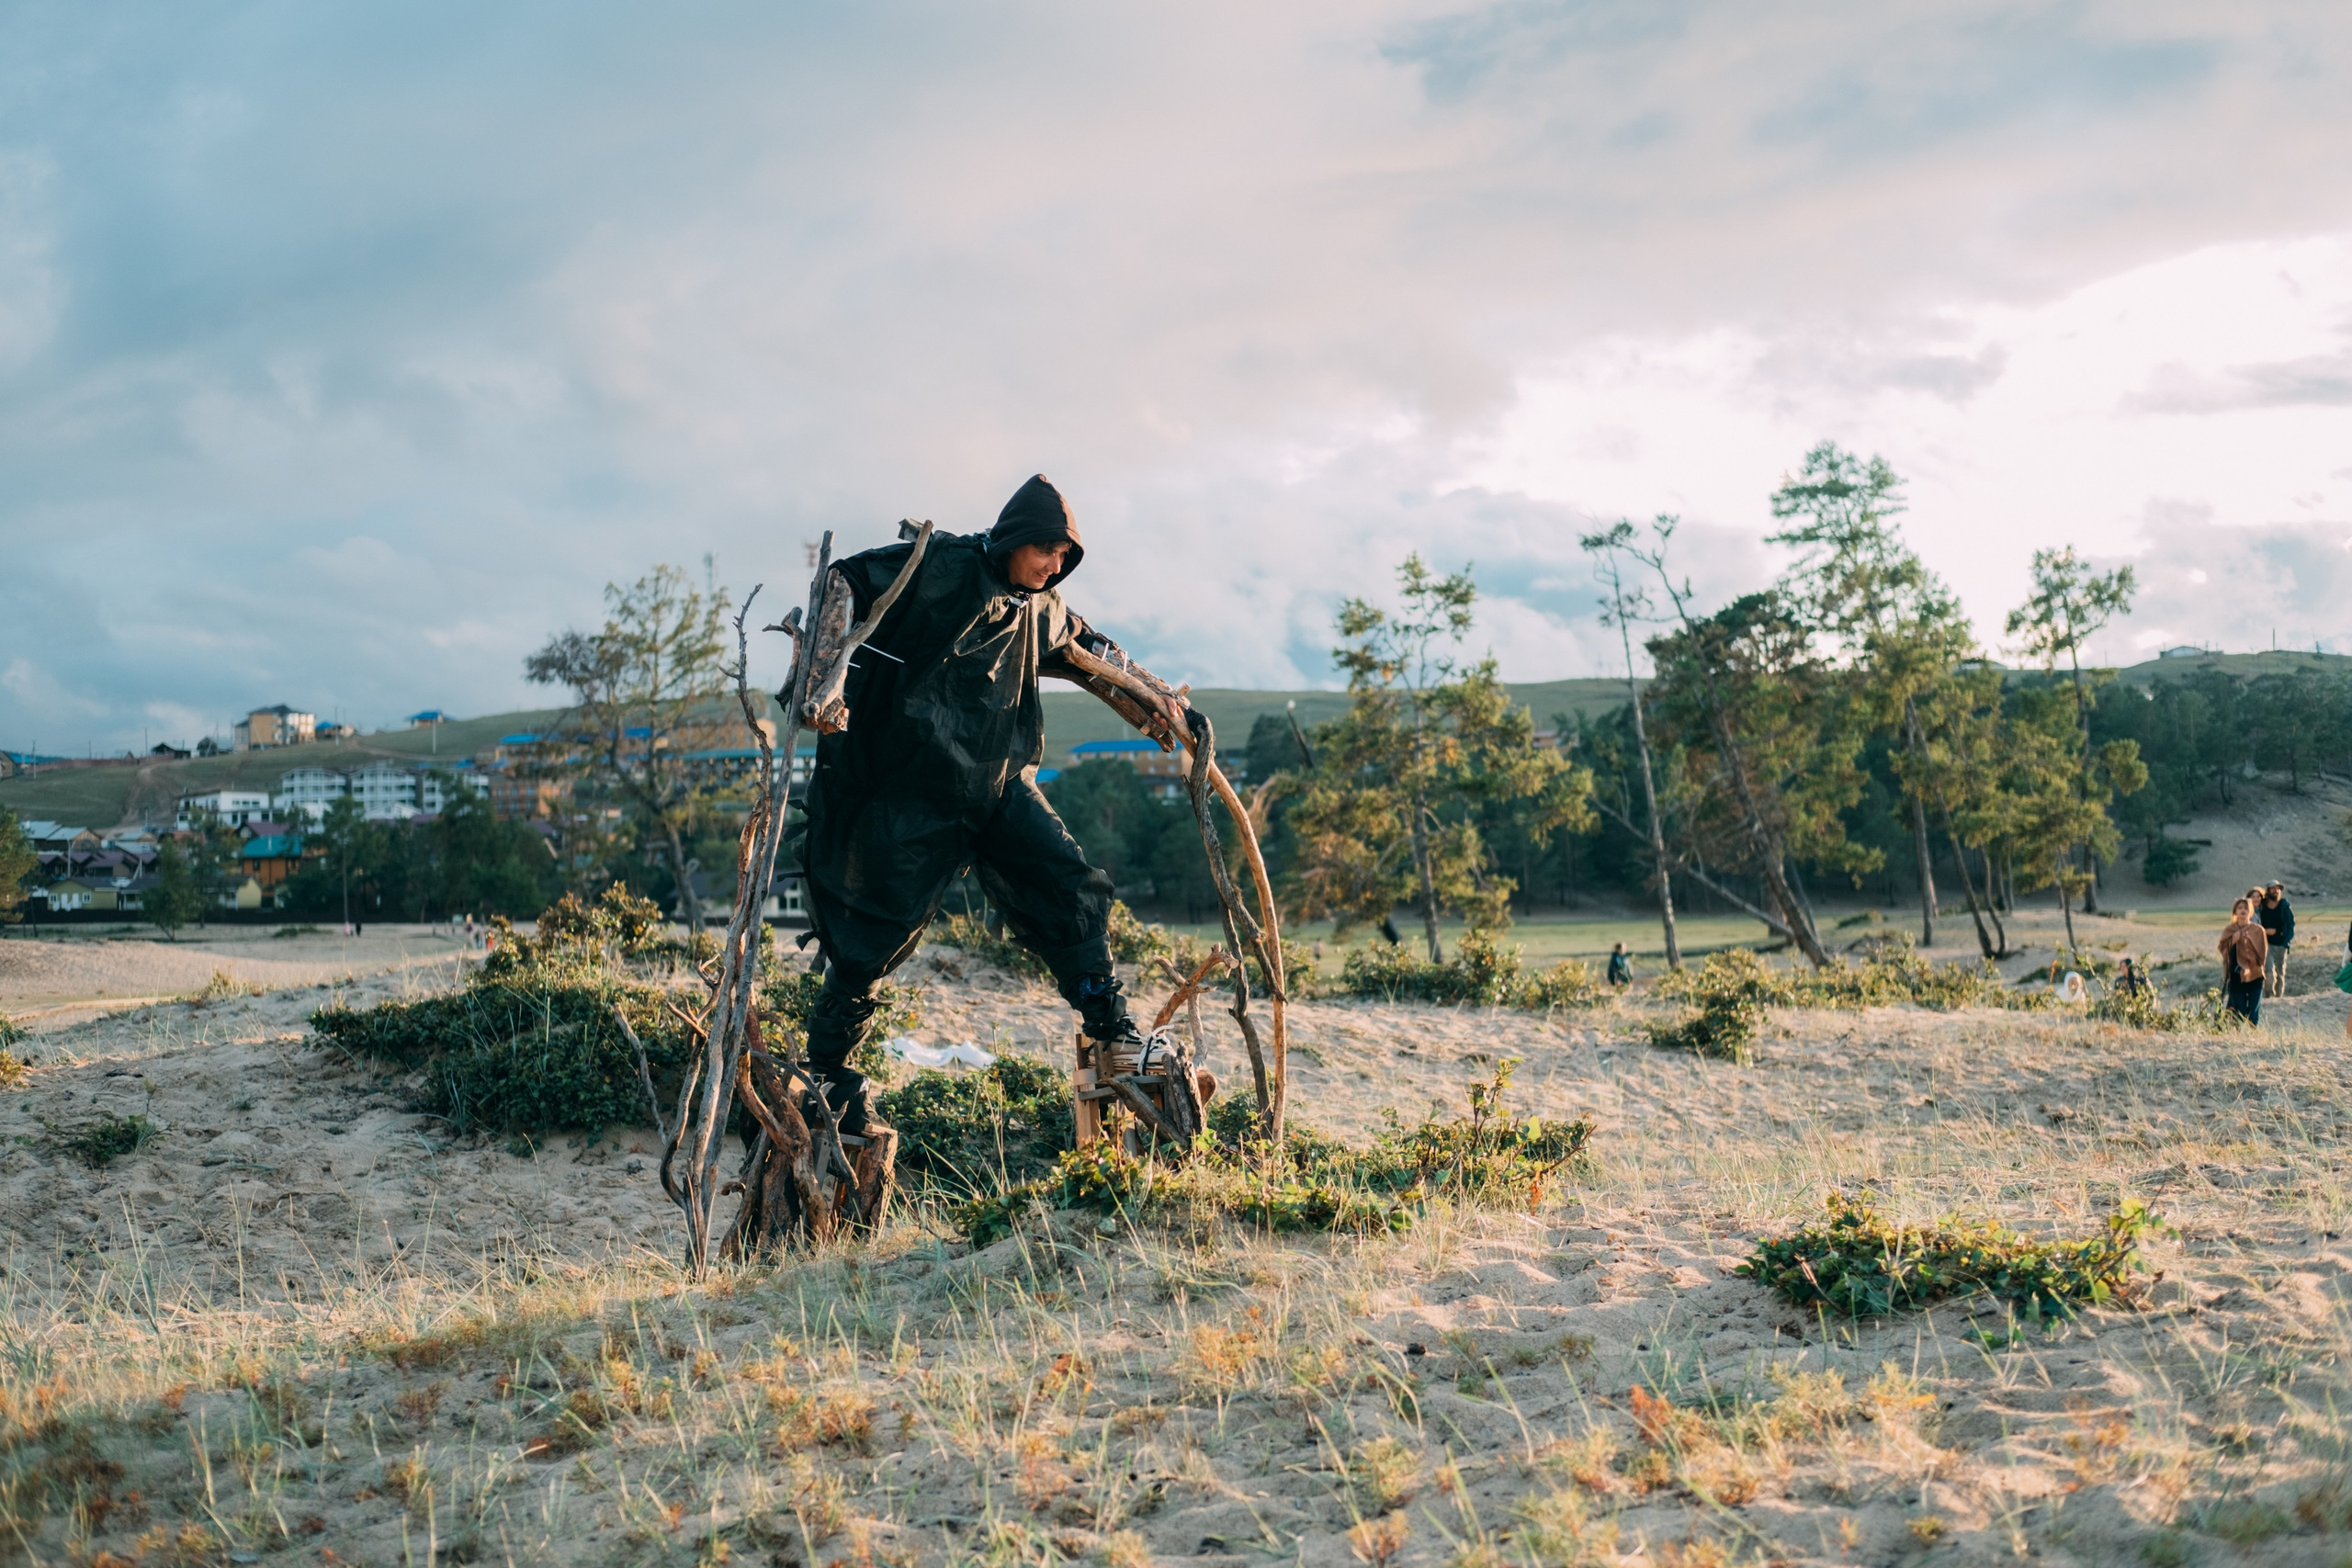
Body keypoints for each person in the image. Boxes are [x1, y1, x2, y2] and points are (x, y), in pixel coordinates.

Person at [790, 475, 1193, 1136]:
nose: (1054, 564)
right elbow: (845, 581)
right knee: (869, 939)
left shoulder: (1041, 604)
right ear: (1012, 538)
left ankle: (1112, 1028)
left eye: (1064, 556)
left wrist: (1166, 701)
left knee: (1068, 883)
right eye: (1045, 549)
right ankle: (828, 1073)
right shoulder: (941, 565)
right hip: (913, 790)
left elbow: (1094, 650)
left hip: (999, 784)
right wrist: (822, 679)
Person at [2218, 897, 2268, 1025]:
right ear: (2235, 911)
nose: (2243, 911)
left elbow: (2263, 952)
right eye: (2240, 908)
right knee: (2239, 1012)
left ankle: (2253, 1038)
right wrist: (2233, 940)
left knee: (2253, 1012)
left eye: (2246, 908)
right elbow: (2222, 948)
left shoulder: (2258, 930)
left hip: (2255, 974)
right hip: (2236, 975)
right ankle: (2239, 1038)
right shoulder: (2229, 930)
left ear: (2251, 911)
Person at [2259, 881, 2295, 998]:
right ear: (2268, 891)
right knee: (2268, 971)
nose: (2276, 891)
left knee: (2280, 973)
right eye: (2273, 889)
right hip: (2266, 944)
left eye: (2278, 889)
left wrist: (2286, 943)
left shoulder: (2285, 906)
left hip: (2281, 944)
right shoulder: (2261, 906)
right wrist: (2265, 931)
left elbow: (2291, 925)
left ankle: (2279, 997)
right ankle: (2268, 995)